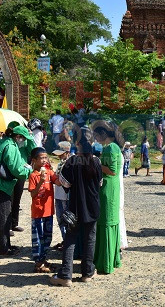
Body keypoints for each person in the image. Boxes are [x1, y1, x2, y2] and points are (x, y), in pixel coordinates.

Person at [50, 127, 103, 287]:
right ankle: (87, 273)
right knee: (90, 239)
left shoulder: (71, 162)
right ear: (92, 143)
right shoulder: (96, 161)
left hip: (75, 207)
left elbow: (64, 183)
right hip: (93, 206)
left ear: (78, 143)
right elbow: (99, 184)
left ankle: (66, 275)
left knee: (70, 239)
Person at [0, 125, 33, 256]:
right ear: (18, 137)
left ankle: (6, 246)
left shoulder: (5, 142)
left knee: (4, 218)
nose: (24, 141)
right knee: (3, 219)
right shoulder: (11, 147)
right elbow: (16, 169)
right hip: (0, 185)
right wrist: (30, 170)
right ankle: (2, 249)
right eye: (24, 138)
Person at [92, 121, 122, 275]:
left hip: (108, 188)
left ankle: (105, 261)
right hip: (112, 188)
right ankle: (112, 258)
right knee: (111, 222)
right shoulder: (115, 147)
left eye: (96, 135)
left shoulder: (110, 148)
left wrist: (95, 162)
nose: (96, 138)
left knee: (105, 222)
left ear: (103, 134)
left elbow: (112, 170)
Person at [28, 147, 61, 273]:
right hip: (38, 213)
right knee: (38, 238)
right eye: (41, 158)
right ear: (34, 160)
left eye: (45, 157)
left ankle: (43, 259)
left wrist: (55, 171)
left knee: (47, 237)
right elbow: (32, 194)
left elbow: (57, 182)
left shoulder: (48, 172)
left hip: (48, 211)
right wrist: (41, 181)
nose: (44, 160)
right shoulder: (33, 175)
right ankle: (38, 263)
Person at [52, 141, 72, 249]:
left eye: (61, 153)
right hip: (58, 195)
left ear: (67, 152)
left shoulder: (70, 163)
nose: (59, 156)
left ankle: (68, 243)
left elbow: (60, 181)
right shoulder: (61, 162)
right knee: (60, 219)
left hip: (65, 196)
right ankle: (65, 240)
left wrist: (54, 178)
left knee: (66, 221)